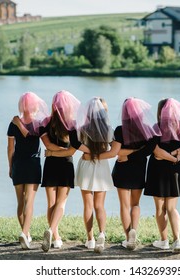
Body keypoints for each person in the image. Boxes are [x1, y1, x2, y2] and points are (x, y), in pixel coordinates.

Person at [144, 98, 180, 253]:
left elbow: (156, 151)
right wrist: (176, 156)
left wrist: (171, 156)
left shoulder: (156, 127)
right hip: (174, 169)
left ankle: (164, 241)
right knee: (172, 208)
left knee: (160, 208)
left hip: (157, 169)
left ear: (160, 111)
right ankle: (177, 241)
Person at [111, 97, 161, 250]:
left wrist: (126, 155)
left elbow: (116, 151)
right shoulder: (147, 129)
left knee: (124, 206)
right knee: (135, 204)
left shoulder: (120, 130)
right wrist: (134, 152)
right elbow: (147, 151)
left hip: (122, 170)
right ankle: (134, 231)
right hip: (139, 170)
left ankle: (128, 238)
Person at [39, 90, 83, 252]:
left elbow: (48, 146)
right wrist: (61, 151)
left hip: (50, 165)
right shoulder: (72, 124)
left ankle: (55, 236)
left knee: (51, 202)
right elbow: (72, 151)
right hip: (65, 165)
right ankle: (52, 232)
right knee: (61, 203)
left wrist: (52, 153)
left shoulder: (45, 122)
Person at [74, 97, 118, 253]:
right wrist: (98, 155)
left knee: (87, 205)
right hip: (101, 167)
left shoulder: (82, 128)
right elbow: (114, 152)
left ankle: (90, 239)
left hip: (86, 165)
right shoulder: (109, 130)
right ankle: (102, 233)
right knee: (99, 205)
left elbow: (76, 144)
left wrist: (90, 154)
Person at [7, 92, 49, 250]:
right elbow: (45, 143)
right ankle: (25, 233)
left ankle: (26, 233)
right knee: (29, 202)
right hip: (33, 165)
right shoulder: (39, 124)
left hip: (18, 164)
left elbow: (10, 148)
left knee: (20, 202)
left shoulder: (13, 123)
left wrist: (10, 166)